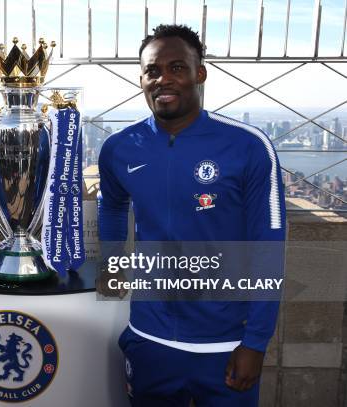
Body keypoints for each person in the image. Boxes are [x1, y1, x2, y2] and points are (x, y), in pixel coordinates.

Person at [98, 24, 286, 406]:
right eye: (153, 70)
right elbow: (112, 204)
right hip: (149, 339)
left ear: (200, 73)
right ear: (141, 79)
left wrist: (255, 342)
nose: (163, 79)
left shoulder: (248, 146)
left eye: (177, 67)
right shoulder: (119, 148)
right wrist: (112, 259)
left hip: (226, 344)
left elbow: (268, 246)